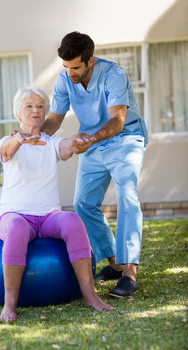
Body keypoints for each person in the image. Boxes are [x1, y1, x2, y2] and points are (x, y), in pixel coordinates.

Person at [41, 31, 148, 298]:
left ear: (90, 61)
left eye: (75, 66)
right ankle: (114, 263)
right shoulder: (65, 79)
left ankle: (130, 273)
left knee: (128, 196)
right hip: (93, 142)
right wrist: (33, 137)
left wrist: (91, 138)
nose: (70, 72)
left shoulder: (113, 75)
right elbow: (54, 118)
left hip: (125, 139)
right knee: (83, 203)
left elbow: (117, 120)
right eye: (65, 67)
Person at [0, 84, 113, 322]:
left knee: (71, 219)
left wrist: (78, 140)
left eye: (40, 106)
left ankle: (90, 295)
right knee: (17, 227)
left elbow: (67, 147)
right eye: (29, 106)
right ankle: (9, 305)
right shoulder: (8, 141)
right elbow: (7, 151)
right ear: (18, 113)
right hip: (14, 215)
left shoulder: (51, 142)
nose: (35, 110)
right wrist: (21, 140)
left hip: (47, 216)